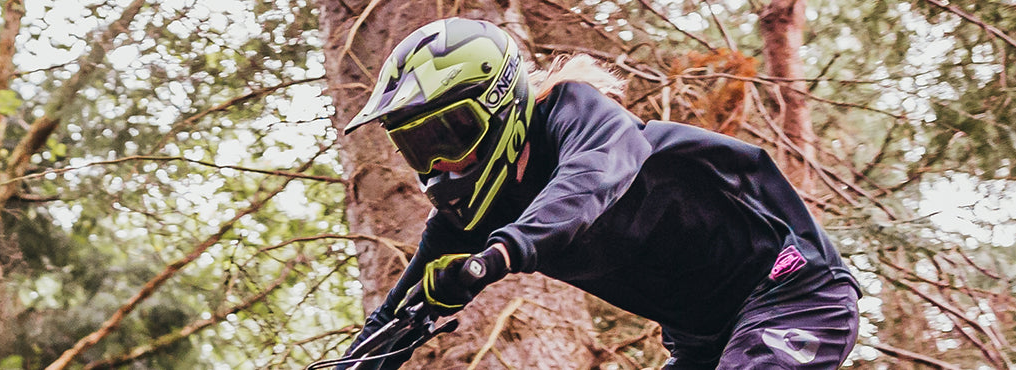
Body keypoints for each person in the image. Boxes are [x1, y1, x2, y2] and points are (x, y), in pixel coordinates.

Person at [337, 18, 862, 369]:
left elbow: (589, 181)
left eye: (448, 137)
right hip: (703, 339)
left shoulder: (575, 115)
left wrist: (498, 255)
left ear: (500, 103)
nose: (440, 165)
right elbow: (392, 318)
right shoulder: (466, 221)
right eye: (418, 149)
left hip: (794, 293)